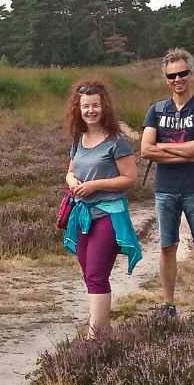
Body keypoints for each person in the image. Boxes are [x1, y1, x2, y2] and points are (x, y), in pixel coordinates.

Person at [140, 47, 194, 322]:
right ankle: (168, 305)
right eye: (172, 75)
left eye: (183, 73)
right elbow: (145, 150)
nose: (178, 79)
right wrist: (185, 149)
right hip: (165, 189)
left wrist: (164, 147)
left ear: (191, 73)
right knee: (167, 246)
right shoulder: (156, 110)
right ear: (166, 79)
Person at [61, 80, 141, 338]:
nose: (91, 110)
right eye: (86, 106)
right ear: (79, 109)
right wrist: (72, 181)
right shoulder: (79, 139)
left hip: (109, 214)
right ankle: (102, 330)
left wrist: (96, 185)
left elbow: (129, 178)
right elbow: (71, 170)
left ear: (104, 107)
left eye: (95, 105)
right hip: (83, 215)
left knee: (96, 273)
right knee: (89, 273)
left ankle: (95, 337)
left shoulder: (117, 141)